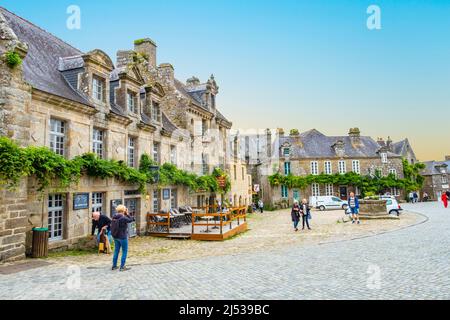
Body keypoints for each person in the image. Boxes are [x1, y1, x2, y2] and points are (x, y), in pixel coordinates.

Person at [111, 205, 135, 272]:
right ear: (124, 210)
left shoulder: (114, 217)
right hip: (122, 237)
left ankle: (114, 266)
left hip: (116, 236)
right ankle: (122, 267)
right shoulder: (123, 218)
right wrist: (127, 214)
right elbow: (132, 219)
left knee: (116, 251)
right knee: (124, 251)